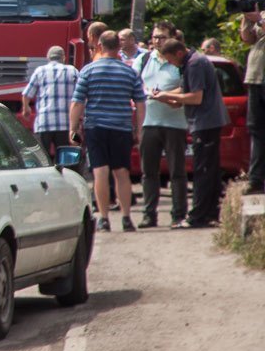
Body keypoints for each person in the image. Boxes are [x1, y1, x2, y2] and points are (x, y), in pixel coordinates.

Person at [69, 30, 146, 232]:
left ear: (100, 46)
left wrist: (73, 128)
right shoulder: (129, 72)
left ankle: (104, 218)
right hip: (121, 127)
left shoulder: (88, 70)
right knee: (122, 172)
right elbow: (140, 102)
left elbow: (77, 102)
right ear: (119, 47)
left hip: (96, 127)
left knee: (100, 172)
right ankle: (126, 218)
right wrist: (139, 129)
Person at [155, 38, 229, 227]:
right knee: (210, 170)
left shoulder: (195, 64)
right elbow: (184, 89)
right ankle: (211, 213)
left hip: (205, 123)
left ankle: (198, 216)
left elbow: (196, 97)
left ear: (179, 53)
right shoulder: (192, 62)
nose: (171, 64)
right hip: (206, 122)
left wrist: (167, 95)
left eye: (170, 59)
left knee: (203, 170)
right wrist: (164, 95)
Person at [137, 23, 189, 228]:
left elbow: (186, 87)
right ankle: (149, 215)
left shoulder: (180, 61)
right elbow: (134, 83)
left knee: (177, 172)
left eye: (162, 37)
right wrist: (147, 92)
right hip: (149, 122)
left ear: (172, 38)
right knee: (148, 172)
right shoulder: (144, 59)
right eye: (155, 37)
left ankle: (179, 214)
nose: (157, 41)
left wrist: (164, 95)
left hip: (174, 123)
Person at [20, 45, 79, 157]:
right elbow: (80, 97)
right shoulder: (73, 71)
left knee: (43, 159)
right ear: (64, 57)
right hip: (65, 125)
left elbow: (26, 94)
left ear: (48, 57)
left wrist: (26, 108)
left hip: (44, 124)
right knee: (64, 159)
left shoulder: (40, 71)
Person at [240, 9, 265, 195]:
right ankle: (255, 179)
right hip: (256, 78)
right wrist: (246, 17)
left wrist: (259, 19)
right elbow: (247, 38)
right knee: (256, 129)